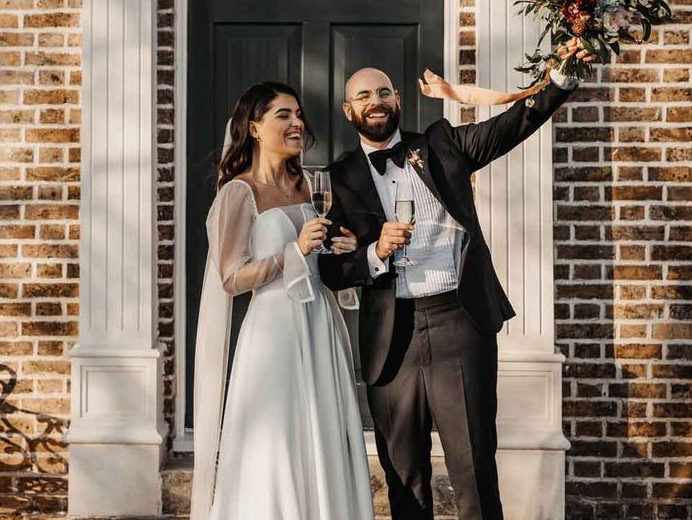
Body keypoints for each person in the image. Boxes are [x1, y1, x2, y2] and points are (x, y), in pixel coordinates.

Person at [318, 47, 594, 520]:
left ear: (399, 100)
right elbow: (330, 268)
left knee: (473, 471)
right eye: (363, 95)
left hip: (458, 322)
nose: (376, 100)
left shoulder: (442, 144)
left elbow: (511, 127)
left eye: (384, 91)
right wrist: (373, 253)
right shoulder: (339, 178)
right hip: (391, 337)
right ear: (349, 111)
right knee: (403, 475)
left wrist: (561, 80)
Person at [190, 81, 375, 520]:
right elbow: (232, 278)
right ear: (254, 127)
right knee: (279, 441)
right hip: (273, 336)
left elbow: (315, 263)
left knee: (324, 436)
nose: (298, 124)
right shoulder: (238, 192)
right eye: (284, 115)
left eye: (298, 115)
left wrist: (337, 250)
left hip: (319, 326)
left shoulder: (307, 187)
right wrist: (292, 252)